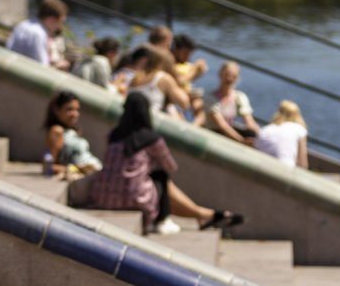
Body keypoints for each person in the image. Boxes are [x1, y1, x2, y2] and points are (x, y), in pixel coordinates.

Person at [84, 93, 241, 235]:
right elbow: (170, 166)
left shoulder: (113, 135)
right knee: (161, 176)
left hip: (102, 196)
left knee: (154, 177)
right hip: (133, 199)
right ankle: (167, 219)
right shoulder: (151, 139)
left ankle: (204, 215)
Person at [125, 46, 195, 121]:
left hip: (128, 118)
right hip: (146, 121)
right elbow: (184, 103)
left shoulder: (136, 77)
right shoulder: (163, 78)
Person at [43, 91, 100, 177]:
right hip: (86, 175)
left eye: (77, 110)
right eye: (69, 109)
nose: (75, 114)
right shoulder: (57, 131)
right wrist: (77, 169)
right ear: (57, 110)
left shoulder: (73, 131)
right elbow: (48, 167)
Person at [201, 62, 259, 144]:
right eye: (227, 75)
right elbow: (222, 125)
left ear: (238, 78)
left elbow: (249, 121)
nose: (229, 79)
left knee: (251, 134)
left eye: (234, 76)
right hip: (216, 133)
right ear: (220, 75)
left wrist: (260, 137)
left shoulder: (239, 97)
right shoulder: (210, 98)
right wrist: (241, 141)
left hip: (229, 131)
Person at [7, 0, 70, 70]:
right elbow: (42, 68)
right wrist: (58, 66)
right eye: (60, 22)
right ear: (51, 19)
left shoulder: (23, 24)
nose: (60, 27)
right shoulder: (38, 34)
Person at [254, 101, 309, 170]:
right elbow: (302, 164)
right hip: (286, 171)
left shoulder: (265, 130)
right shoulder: (299, 129)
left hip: (262, 169)